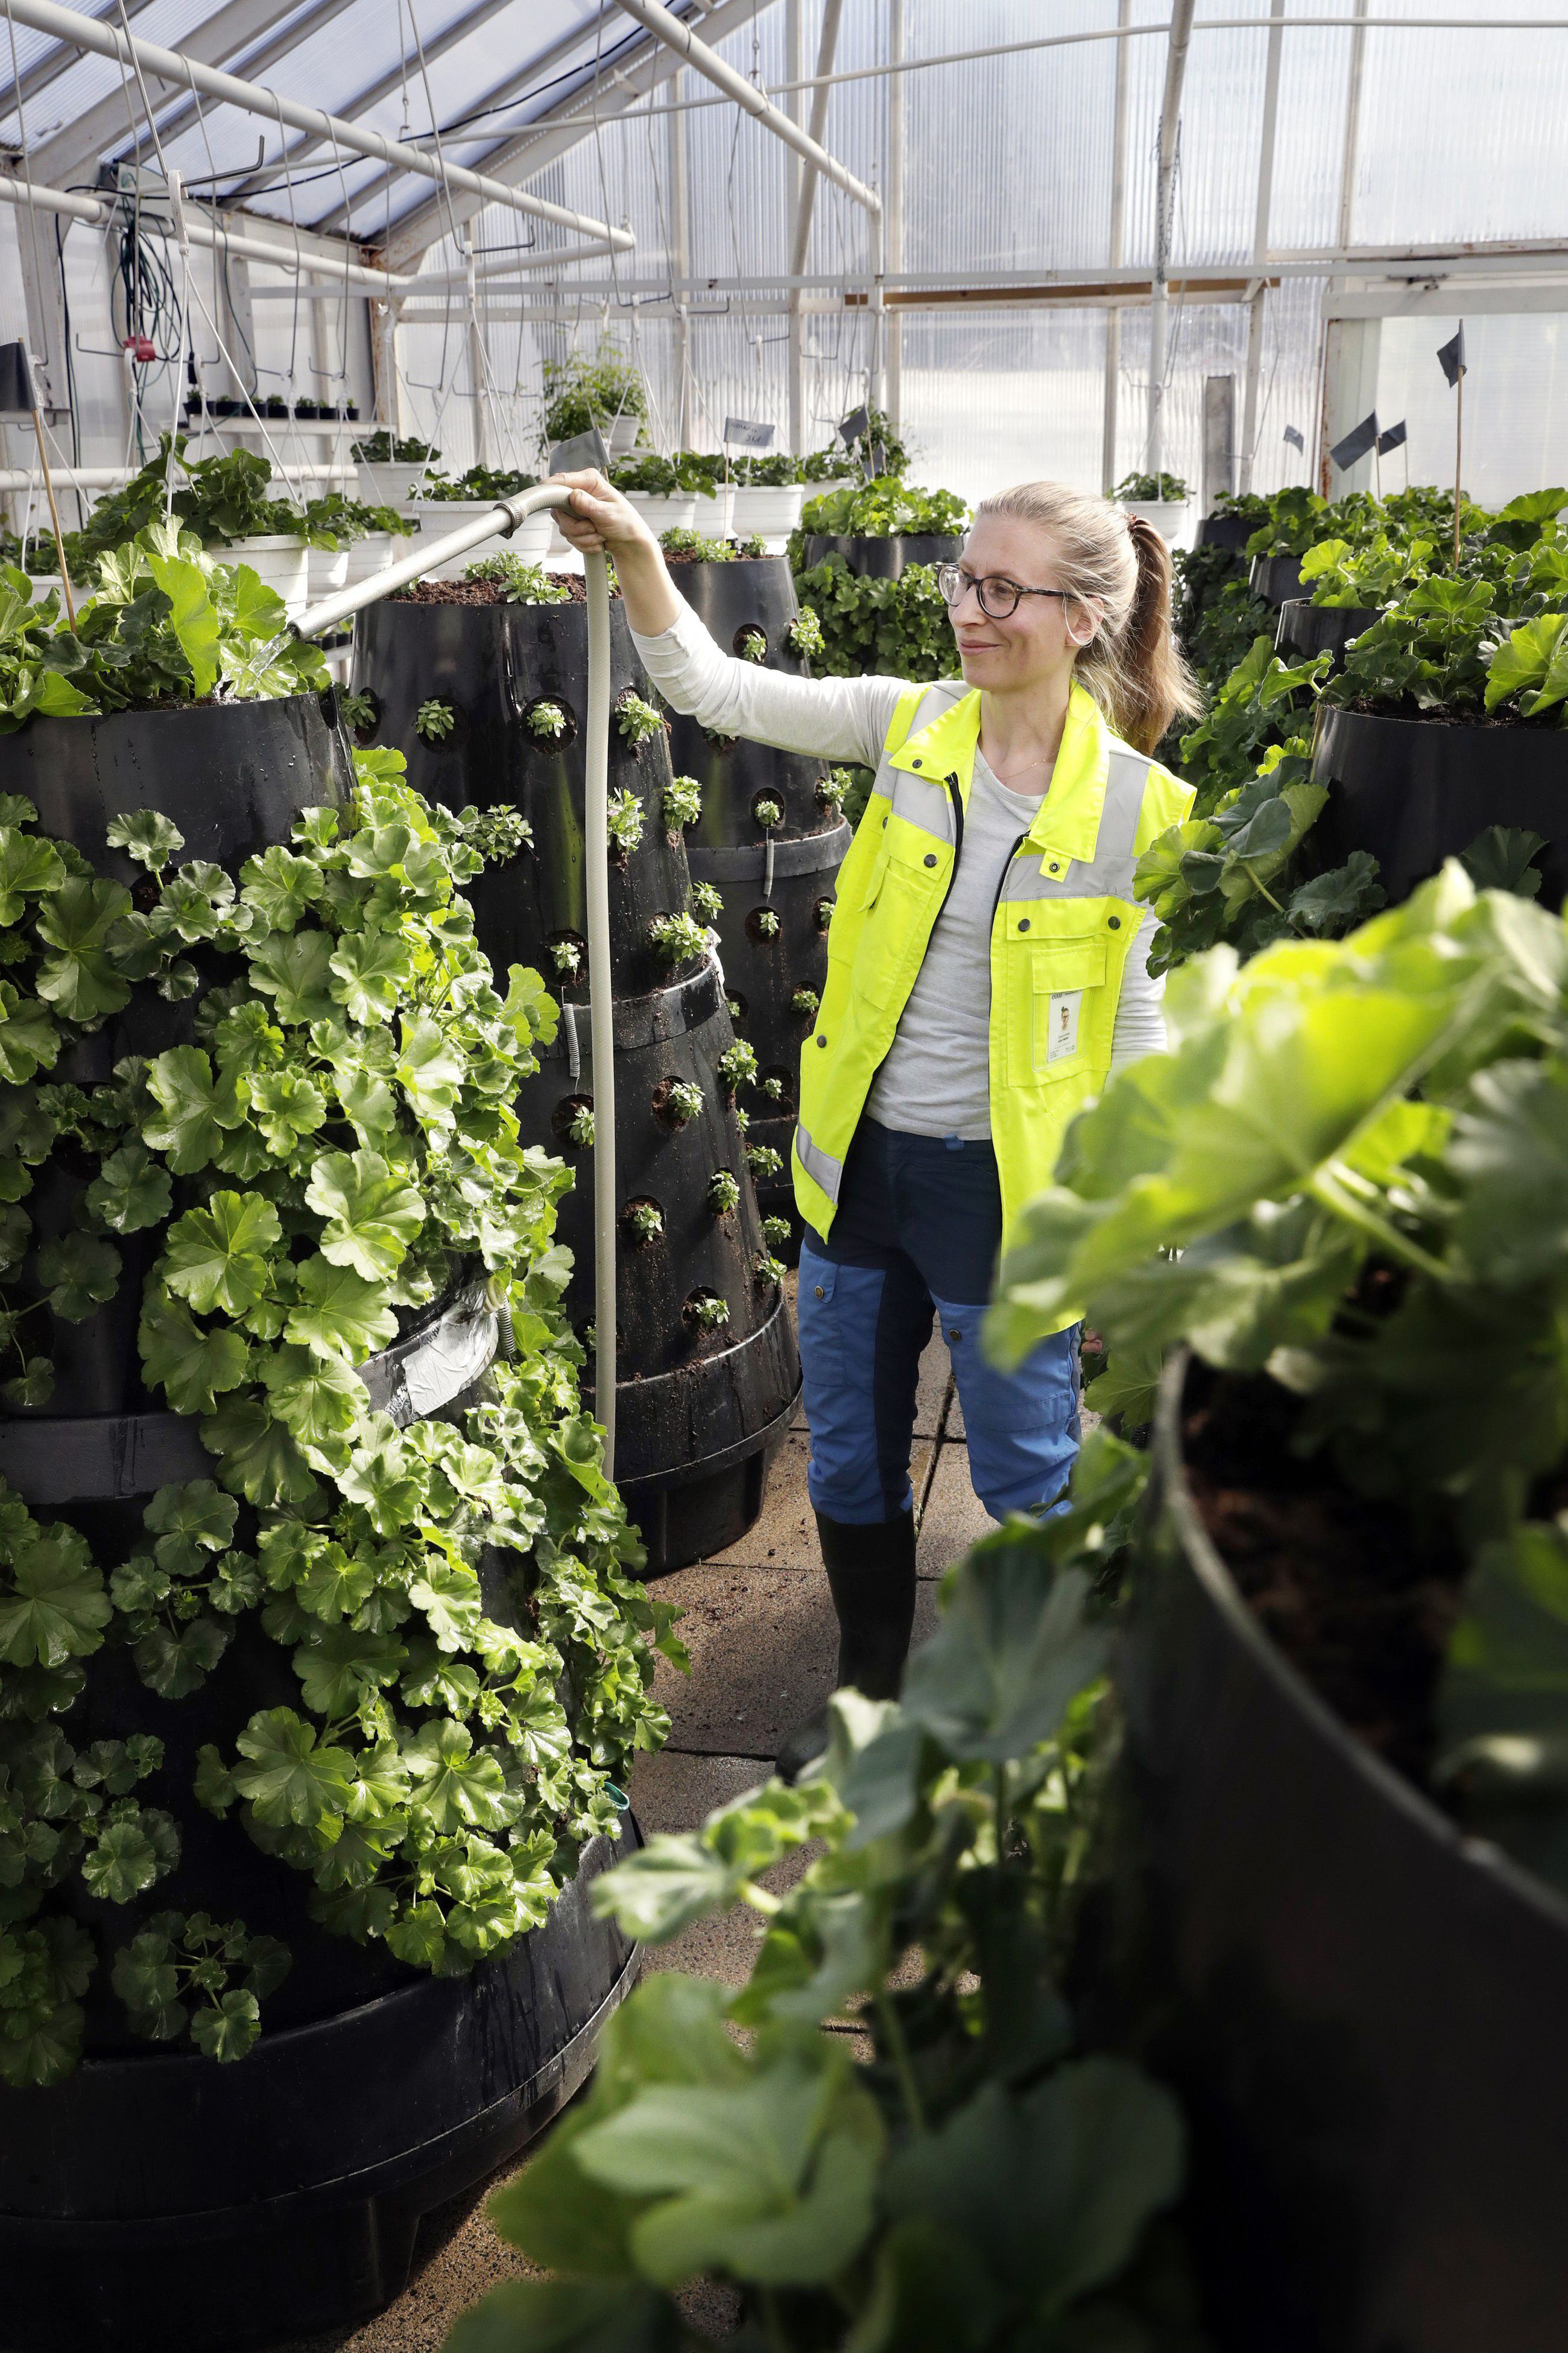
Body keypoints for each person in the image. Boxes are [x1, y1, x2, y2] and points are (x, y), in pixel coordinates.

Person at [555, 473, 1200, 1776]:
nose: (970, 610)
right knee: (847, 1447)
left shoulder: (1138, 812)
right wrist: (634, 552)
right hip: (860, 1169)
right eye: (964, 579)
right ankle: (867, 1692)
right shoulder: (907, 729)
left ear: (1079, 618)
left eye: (1003, 589)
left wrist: (1150, 1228)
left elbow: (1142, 1032)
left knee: (1025, 1474)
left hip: (1008, 1193)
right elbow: (715, 689)